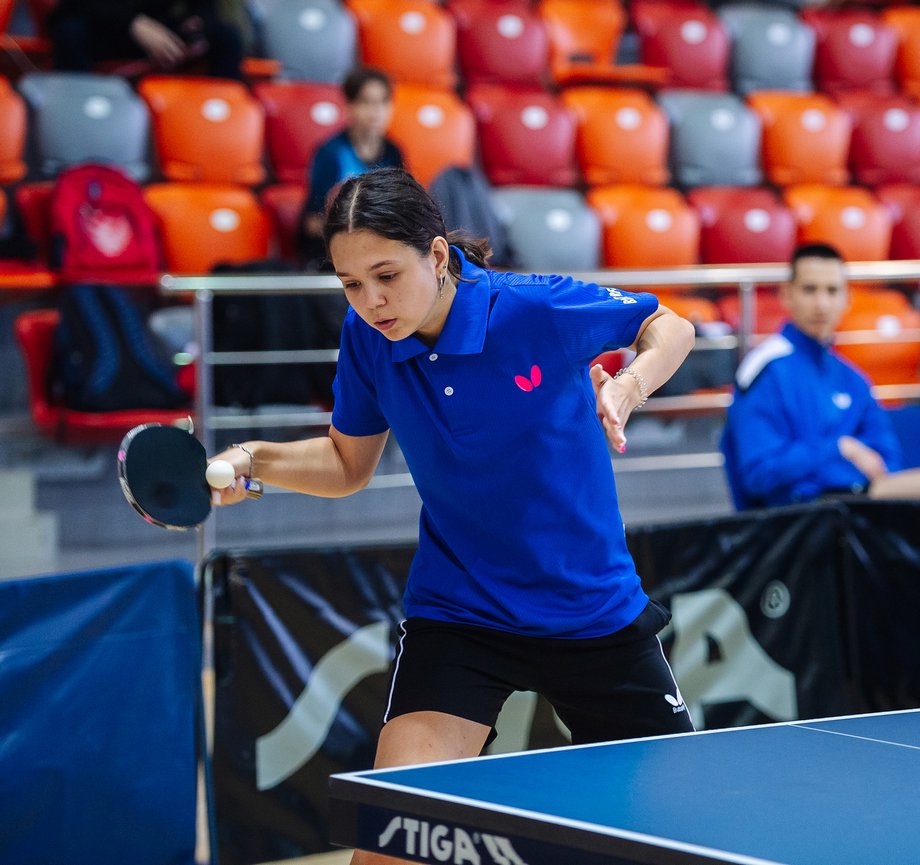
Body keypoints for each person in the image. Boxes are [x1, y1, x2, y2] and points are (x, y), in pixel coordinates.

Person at [209, 167, 697, 865]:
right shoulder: (369, 337)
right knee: (391, 841)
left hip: (591, 612)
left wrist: (627, 387)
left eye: (386, 276)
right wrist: (256, 459)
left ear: (437, 255)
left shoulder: (535, 308)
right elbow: (347, 464)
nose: (372, 302)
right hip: (462, 612)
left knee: (678, 841)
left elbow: (670, 325)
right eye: (351, 284)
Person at [721, 243, 920, 509]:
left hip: (861, 499)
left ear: (847, 299)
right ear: (787, 295)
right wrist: (840, 449)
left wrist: (841, 459)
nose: (821, 304)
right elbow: (758, 474)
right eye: (810, 290)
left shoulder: (852, 378)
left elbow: (887, 460)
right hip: (807, 513)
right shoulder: (766, 369)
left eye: (832, 291)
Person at [298, 67, 404, 269]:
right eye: (366, 102)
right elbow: (312, 222)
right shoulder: (331, 153)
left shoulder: (394, 152)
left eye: (383, 102)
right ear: (349, 105)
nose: (376, 112)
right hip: (335, 254)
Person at [47, 0, 244, 80]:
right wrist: (133, 23)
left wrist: (200, 22)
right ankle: (78, 113)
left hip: (160, 33)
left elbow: (205, 8)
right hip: (105, 29)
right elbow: (66, 9)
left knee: (226, 36)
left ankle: (220, 121)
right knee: (70, 31)